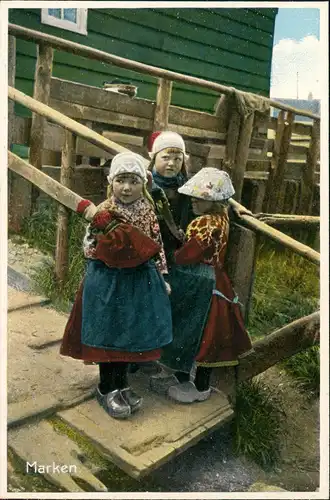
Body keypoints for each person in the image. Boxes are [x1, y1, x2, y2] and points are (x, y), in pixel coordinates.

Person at [60, 152, 172, 419]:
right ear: (112, 182)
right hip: (108, 282)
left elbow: (156, 245)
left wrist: (162, 275)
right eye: (121, 181)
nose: (126, 188)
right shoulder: (104, 212)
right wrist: (108, 246)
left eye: (133, 181)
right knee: (108, 335)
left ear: (142, 183)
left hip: (137, 282)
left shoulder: (147, 210)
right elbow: (89, 246)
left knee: (128, 336)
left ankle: (122, 384)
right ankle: (106, 388)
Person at [153, 167, 253, 403]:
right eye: (195, 197)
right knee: (205, 331)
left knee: (191, 326)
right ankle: (187, 379)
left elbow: (189, 254)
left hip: (198, 278)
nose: (195, 202)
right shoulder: (222, 217)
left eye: (202, 198)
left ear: (215, 200)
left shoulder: (205, 223)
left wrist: (175, 254)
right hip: (216, 277)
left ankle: (194, 384)